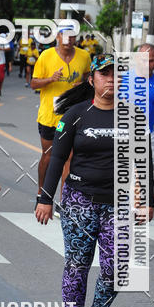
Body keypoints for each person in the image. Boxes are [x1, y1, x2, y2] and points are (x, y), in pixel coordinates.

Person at [35, 54, 154, 307]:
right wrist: (45, 198)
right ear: (92, 80)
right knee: (77, 265)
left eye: (116, 75)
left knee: (118, 267)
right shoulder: (74, 116)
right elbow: (56, 159)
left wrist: (148, 200)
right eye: (104, 74)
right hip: (79, 200)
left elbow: (144, 161)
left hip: (119, 202)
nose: (111, 79)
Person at [31, 24, 91, 205]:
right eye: (65, 35)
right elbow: (33, 83)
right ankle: (42, 193)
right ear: (58, 36)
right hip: (50, 115)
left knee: (70, 158)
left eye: (72, 36)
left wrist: (82, 85)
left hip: (74, 116)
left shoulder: (84, 56)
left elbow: (90, 80)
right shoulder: (46, 56)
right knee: (49, 156)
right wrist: (50, 79)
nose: (68, 39)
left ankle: (64, 201)